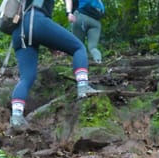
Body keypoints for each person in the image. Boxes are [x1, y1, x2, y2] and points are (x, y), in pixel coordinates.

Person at [9, 0, 100, 131]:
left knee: (26, 78)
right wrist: (69, 12)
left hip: (19, 30)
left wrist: (51, 44)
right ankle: (83, 86)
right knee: (78, 48)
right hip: (37, 20)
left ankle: (16, 117)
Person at [71, 0, 103, 64]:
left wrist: (70, 13)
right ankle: (98, 61)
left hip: (81, 17)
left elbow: (71, 4)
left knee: (78, 46)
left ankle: (79, 65)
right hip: (96, 22)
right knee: (93, 47)